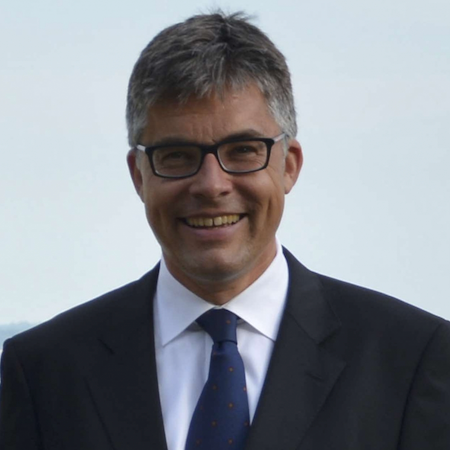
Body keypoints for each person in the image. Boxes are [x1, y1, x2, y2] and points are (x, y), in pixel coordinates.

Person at [1, 11, 449, 450]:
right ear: (139, 175)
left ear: (289, 166)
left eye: (243, 150)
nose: (212, 185)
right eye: (177, 155)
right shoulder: (43, 372)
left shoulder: (413, 362)